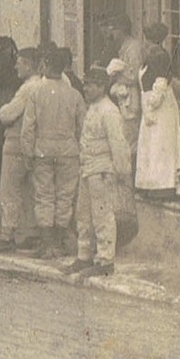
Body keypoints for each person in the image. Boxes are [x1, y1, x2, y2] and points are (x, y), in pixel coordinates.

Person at [68, 64, 132, 278]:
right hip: (88, 168)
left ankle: (105, 260)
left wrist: (122, 172)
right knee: (83, 215)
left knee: (103, 216)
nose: (86, 89)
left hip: (102, 170)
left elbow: (118, 144)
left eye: (91, 85)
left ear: (102, 87)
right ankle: (84, 256)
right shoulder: (93, 108)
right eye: (85, 84)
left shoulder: (109, 111)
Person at [21, 46, 85, 259]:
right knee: (65, 197)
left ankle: (47, 244)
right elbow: (82, 128)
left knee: (44, 196)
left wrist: (27, 152)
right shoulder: (74, 94)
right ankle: (61, 241)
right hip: (69, 152)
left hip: (43, 151)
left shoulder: (36, 92)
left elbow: (28, 127)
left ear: (45, 64)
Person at [0, 45, 43, 254]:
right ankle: (31, 232)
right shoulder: (45, 85)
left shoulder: (27, 87)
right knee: (30, 190)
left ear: (29, 64)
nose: (16, 66)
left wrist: (2, 109)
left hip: (16, 140)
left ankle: (7, 234)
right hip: (37, 144)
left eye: (20, 62)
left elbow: (7, 114)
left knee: (9, 189)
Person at [135, 22, 180, 199]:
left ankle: (163, 186)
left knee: (160, 144)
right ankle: (150, 184)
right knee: (151, 144)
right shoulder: (151, 56)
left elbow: (161, 83)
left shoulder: (161, 57)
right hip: (149, 103)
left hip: (160, 105)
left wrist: (152, 103)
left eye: (148, 39)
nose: (146, 43)